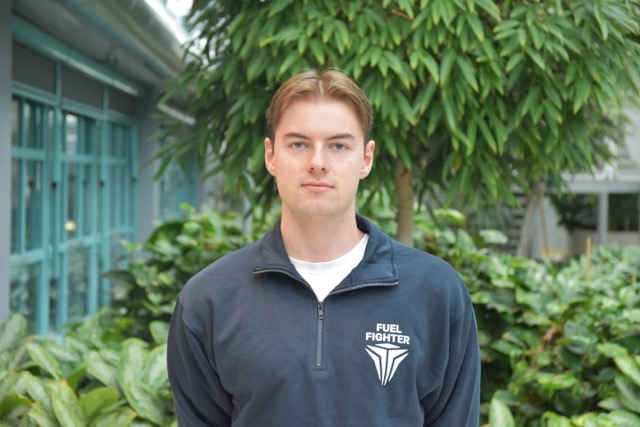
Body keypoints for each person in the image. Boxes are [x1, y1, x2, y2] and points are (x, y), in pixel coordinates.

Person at [166, 68, 481, 427]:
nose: (317, 162)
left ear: (366, 159)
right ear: (271, 156)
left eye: (338, 146)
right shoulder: (208, 300)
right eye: (298, 144)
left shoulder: (437, 293)